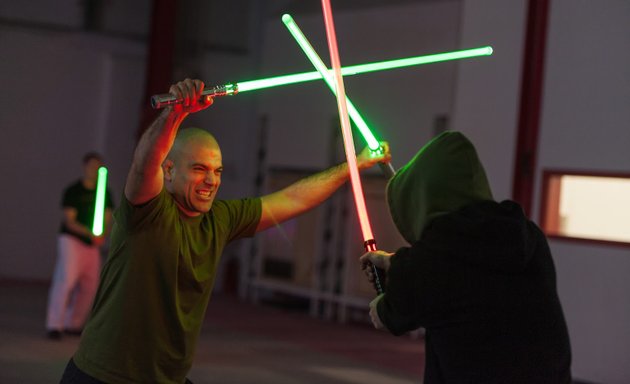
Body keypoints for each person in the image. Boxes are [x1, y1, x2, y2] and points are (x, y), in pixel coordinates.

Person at [60, 78, 391, 383]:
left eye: (217, 171)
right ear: (170, 171)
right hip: (103, 377)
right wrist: (175, 114)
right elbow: (144, 163)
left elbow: (291, 199)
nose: (211, 180)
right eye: (199, 169)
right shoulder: (148, 212)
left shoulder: (221, 219)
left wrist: (356, 164)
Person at [360, 131, 572, 383]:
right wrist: (397, 264)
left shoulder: (426, 263)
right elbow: (469, 275)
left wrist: (396, 279)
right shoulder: (527, 235)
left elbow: (385, 316)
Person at [46, 152, 114, 340]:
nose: (94, 170)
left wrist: (102, 235)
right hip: (72, 240)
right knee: (66, 279)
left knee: (90, 284)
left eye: (97, 166)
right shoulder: (73, 191)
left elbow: (107, 217)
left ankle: (74, 324)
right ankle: (55, 325)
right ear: (85, 166)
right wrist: (91, 234)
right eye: (91, 165)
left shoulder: (104, 192)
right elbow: (69, 221)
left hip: (92, 244)